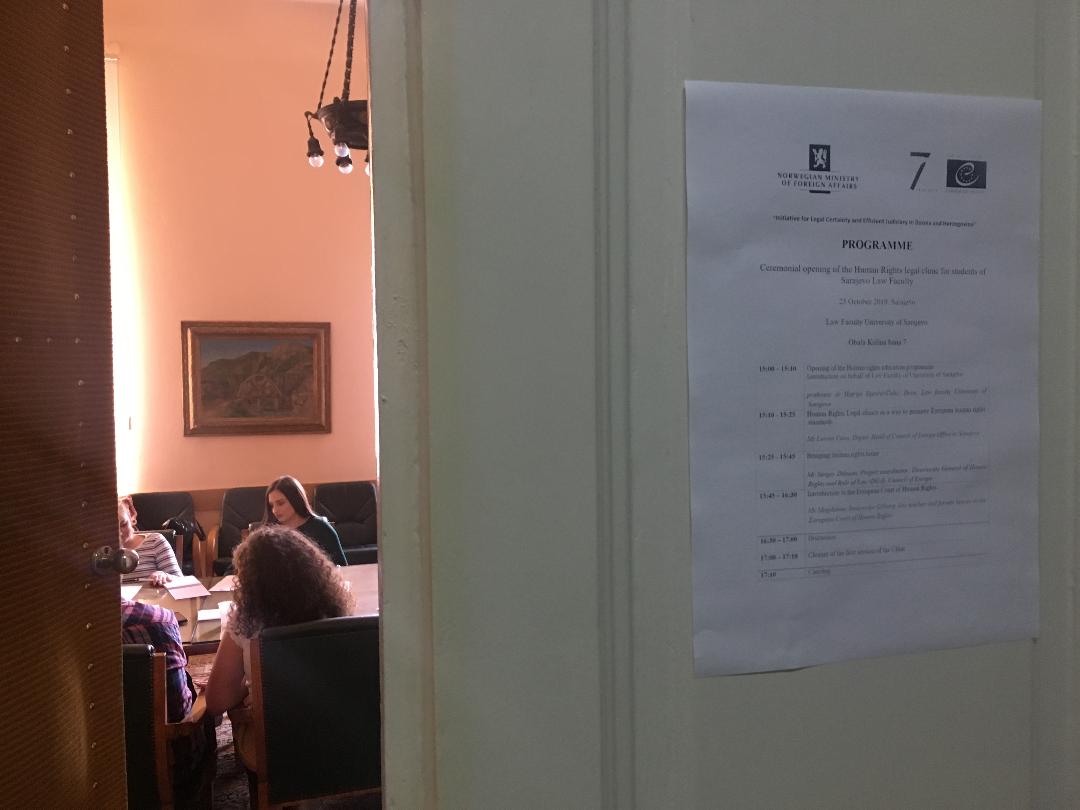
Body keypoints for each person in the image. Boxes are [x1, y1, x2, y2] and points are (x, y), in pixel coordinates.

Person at [204, 525, 353, 769]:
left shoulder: (246, 622)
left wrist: (249, 687)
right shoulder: (335, 609)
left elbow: (216, 701)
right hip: (338, 734)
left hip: (276, 746)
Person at [260, 474, 348, 566]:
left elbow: (342, 567)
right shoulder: (271, 533)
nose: (274, 510)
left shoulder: (321, 528)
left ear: (295, 499)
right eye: (271, 505)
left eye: (280, 503)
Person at [118, 496, 182, 584]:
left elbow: (180, 580)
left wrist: (164, 575)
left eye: (123, 524)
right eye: (111, 528)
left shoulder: (155, 541)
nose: (119, 532)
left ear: (131, 518)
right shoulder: (102, 552)